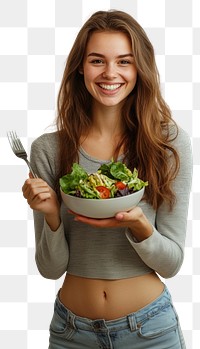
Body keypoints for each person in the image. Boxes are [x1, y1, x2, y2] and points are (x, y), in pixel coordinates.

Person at [22, 10, 192, 349]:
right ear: (80, 68)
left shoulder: (169, 144)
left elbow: (172, 263)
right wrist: (53, 215)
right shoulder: (48, 150)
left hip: (150, 331)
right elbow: (50, 269)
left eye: (124, 61)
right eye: (97, 60)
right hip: (72, 333)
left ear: (139, 69)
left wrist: (141, 228)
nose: (110, 73)